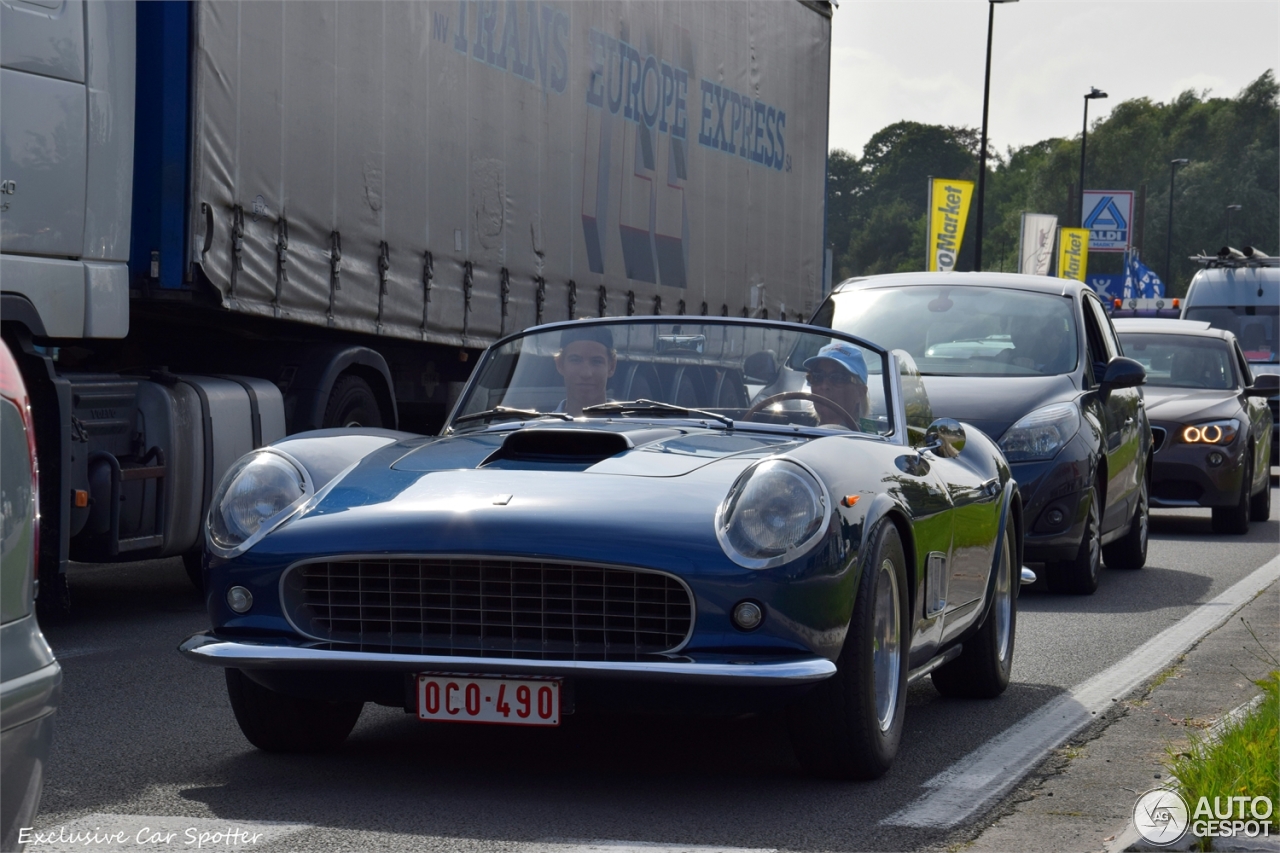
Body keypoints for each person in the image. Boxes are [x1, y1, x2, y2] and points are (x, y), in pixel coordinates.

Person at [803, 341, 870, 430]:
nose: (824, 386)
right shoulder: (795, 432)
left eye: (838, 377)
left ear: (861, 393)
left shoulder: (869, 441)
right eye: (817, 376)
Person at [554, 325, 617, 415]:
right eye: (575, 360)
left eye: (596, 362)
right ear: (560, 365)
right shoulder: (541, 428)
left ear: (611, 367)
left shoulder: (630, 428)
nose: (586, 373)